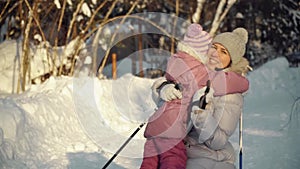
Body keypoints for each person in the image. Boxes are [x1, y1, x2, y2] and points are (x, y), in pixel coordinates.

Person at [140, 24, 249, 169]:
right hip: (179, 146)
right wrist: (163, 88)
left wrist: (201, 115)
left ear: (231, 60)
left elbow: (218, 142)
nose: (215, 53)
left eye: (223, 52)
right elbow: (169, 104)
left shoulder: (230, 94)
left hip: (206, 159)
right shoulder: (198, 71)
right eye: (214, 47)